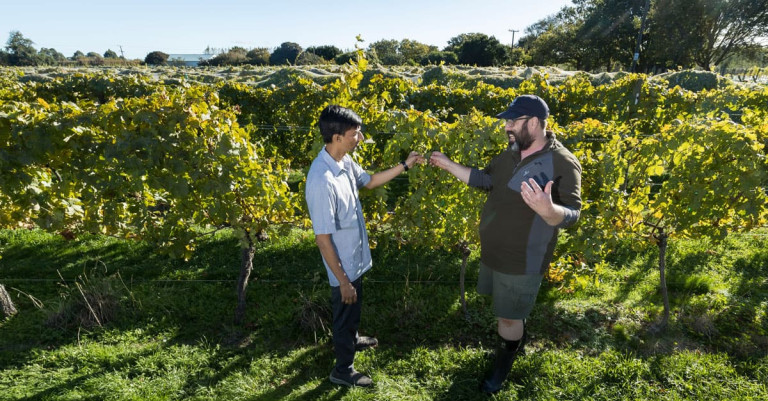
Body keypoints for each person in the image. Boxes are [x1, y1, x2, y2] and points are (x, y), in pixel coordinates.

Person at [429, 95, 582, 394]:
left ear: (535, 123)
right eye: (507, 122)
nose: (507, 127)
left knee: (508, 317)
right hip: (494, 253)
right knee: (507, 311)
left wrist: (549, 210)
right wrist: (448, 165)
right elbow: (486, 180)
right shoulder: (512, 153)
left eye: (513, 121)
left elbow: (573, 214)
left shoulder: (562, 162)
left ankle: (502, 365)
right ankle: (513, 343)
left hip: (522, 260)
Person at [305, 104, 423, 388]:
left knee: (353, 308)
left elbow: (369, 182)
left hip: (355, 259)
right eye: (355, 134)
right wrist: (343, 281)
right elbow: (322, 240)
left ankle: (353, 338)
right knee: (344, 313)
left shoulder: (344, 161)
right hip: (342, 267)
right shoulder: (321, 180)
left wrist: (405, 165)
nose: (360, 138)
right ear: (336, 137)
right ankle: (343, 369)